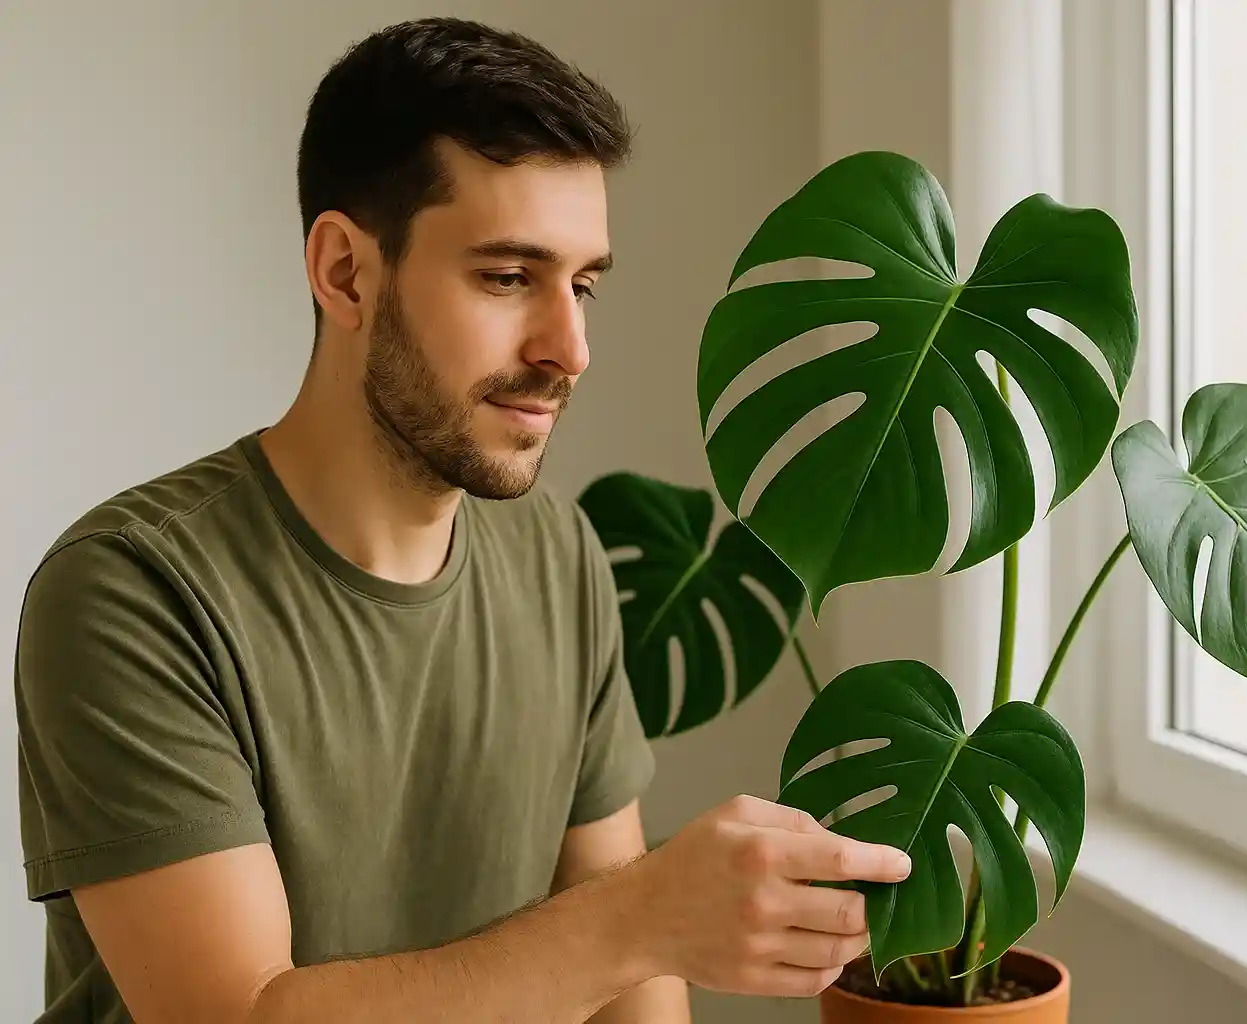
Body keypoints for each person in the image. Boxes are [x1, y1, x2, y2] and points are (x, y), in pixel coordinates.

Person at [12, 17, 911, 1024]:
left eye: (583, 285)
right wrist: (643, 915)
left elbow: (631, 987)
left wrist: (640, 925)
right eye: (508, 277)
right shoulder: (134, 591)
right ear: (345, 272)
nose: (569, 346)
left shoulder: (557, 556)